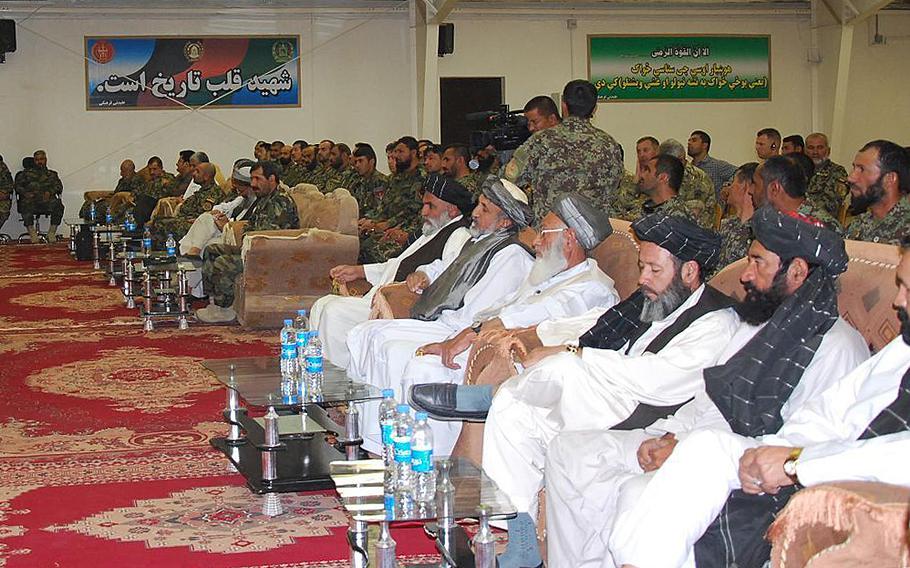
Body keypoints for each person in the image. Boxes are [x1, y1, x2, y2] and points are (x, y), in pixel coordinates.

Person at [544, 207, 868, 568]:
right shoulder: (756, 326)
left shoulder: (835, 346)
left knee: (638, 492)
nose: (745, 276)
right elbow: (710, 399)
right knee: (569, 451)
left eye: (757, 263)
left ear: (796, 271)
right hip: (692, 439)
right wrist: (670, 436)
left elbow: (808, 446)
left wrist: (685, 450)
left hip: (744, 466)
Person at [476, 213, 739, 567]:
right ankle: (521, 539)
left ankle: (491, 395)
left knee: (567, 368)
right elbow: (609, 334)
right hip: (614, 396)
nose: (643, 278)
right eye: (642, 267)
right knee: (516, 412)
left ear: (690, 271)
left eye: (654, 270)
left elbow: (663, 379)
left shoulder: (716, 320)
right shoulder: (662, 302)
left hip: (648, 410)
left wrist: (585, 356)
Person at [405, 194, 621, 455]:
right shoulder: (551, 273)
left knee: (425, 367)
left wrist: (465, 336)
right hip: (488, 342)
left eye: (544, 234)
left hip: (520, 362)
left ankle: (433, 462)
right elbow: (502, 306)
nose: (536, 241)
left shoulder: (591, 287)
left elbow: (524, 319)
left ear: (570, 239)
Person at [346, 178, 536, 456]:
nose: (475, 213)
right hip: (444, 321)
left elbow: (476, 314)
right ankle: (368, 434)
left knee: (388, 345)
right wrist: (425, 273)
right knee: (366, 333)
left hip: (458, 329)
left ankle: (398, 445)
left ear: (505, 222)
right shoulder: (479, 243)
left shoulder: (512, 256)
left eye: (484, 208)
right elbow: (447, 268)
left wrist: (442, 320)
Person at [310, 173, 474, 368]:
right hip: (381, 296)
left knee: (334, 312)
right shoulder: (433, 231)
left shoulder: (458, 235)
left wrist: (423, 276)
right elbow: (397, 264)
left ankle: (339, 377)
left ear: (453, 210)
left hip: (403, 306)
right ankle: (318, 368)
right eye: (423, 205)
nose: (423, 212)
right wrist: (359, 271)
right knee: (321, 305)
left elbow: (448, 275)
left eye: (431, 206)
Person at [196, 161, 300, 323]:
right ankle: (215, 302)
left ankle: (226, 309)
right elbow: (251, 227)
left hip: (271, 255)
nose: (253, 184)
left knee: (224, 262)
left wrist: (245, 241)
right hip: (254, 248)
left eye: (257, 179)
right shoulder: (265, 199)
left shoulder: (281, 201)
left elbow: (268, 236)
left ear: (271, 179)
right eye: (252, 179)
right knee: (212, 250)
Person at [505, 79, 623, 219]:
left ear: (564, 105)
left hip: (550, 234)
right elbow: (614, 189)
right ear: (594, 108)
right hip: (593, 234)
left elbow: (509, 180)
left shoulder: (541, 140)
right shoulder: (609, 145)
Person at [358, 136, 425, 263]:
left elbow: (412, 211)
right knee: (358, 239)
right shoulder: (396, 178)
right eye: (395, 152)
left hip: (406, 228)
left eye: (400, 152)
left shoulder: (421, 177)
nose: (396, 156)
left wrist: (387, 225)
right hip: (388, 224)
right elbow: (384, 204)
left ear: (413, 153)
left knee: (374, 250)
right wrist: (372, 221)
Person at [179, 160, 257, 257]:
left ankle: (193, 252)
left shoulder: (257, 204)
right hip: (226, 232)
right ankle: (193, 252)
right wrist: (218, 212)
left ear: (250, 187)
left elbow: (249, 227)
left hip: (237, 237)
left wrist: (227, 225)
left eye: (240, 189)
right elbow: (225, 207)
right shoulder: (242, 198)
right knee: (207, 217)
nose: (238, 192)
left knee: (206, 240)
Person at [751, 155, 842, 234]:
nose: (751, 190)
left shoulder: (821, 227)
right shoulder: (771, 218)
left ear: (774, 188)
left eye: (755, 184)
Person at [845, 139, 910, 245]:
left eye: (862, 169)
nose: (851, 178)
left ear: (889, 179)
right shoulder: (858, 224)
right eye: (854, 168)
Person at [148, 162, 223, 244]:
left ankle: (166, 249)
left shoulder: (213, 193)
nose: (193, 174)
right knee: (158, 220)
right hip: (185, 220)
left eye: (197, 172)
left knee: (161, 224)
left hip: (196, 225)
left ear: (206, 176)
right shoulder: (202, 191)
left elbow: (203, 216)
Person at [659, 139, 717, 228]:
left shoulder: (697, 178)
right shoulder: (665, 175)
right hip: (670, 226)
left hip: (696, 231)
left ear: (680, 159)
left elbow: (692, 214)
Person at [15, 150, 64, 243]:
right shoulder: (25, 174)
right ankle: (32, 232)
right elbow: (17, 186)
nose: (39, 162)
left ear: (46, 160)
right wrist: (25, 193)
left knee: (58, 205)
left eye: (41, 159)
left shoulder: (52, 174)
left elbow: (59, 187)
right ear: (34, 161)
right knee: (25, 203)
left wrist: (50, 192)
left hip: (47, 201)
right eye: (37, 160)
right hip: (31, 201)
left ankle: (51, 232)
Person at [716, 162, 758, 268]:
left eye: (732, 182)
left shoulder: (757, 232)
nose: (729, 188)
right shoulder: (727, 224)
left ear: (744, 186)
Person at [637, 154, 699, 222]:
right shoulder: (645, 207)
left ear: (663, 178)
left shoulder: (677, 216)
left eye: (647, 170)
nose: (641, 175)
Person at [805, 132, 849, 218]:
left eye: (820, 147)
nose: (815, 152)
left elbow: (831, 204)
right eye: (811, 148)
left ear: (828, 150)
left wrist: (801, 210)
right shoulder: (799, 170)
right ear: (805, 151)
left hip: (821, 221)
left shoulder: (837, 172)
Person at [688, 130, 737, 200]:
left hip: (714, 209)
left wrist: (727, 186)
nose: (689, 143)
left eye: (694, 140)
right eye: (689, 141)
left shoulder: (717, 165)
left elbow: (739, 172)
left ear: (705, 145)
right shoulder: (688, 168)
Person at [0, 154, 12, 232]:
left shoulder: (2, 167)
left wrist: (4, 192)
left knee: (4, 213)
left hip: (1, 196)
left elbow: (9, 184)